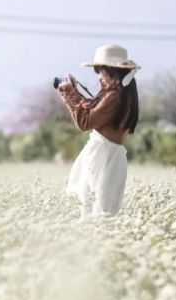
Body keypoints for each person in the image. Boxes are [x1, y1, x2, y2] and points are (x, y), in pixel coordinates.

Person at [57, 44, 140, 218]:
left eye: (100, 70)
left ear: (111, 70)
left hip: (101, 155)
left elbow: (84, 122)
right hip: (111, 155)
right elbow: (94, 113)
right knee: (104, 211)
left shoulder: (113, 95)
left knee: (91, 210)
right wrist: (75, 92)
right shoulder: (124, 92)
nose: (99, 77)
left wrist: (67, 92)